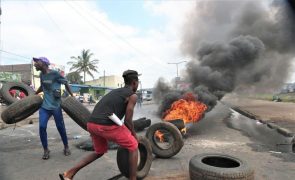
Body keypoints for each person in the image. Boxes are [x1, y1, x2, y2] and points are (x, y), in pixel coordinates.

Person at [59, 70, 140, 180]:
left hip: (91, 124)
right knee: (134, 146)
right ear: (135, 83)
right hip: (105, 125)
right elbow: (128, 121)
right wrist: (134, 135)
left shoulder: (115, 92)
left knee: (99, 151)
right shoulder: (133, 95)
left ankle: (69, 173)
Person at [33, 57, 74, 160]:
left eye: (37, 62)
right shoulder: (41, 75)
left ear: (43, 63)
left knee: (60, 127)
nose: (35, 64)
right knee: (42, 127)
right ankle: (46, 150)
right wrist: (34, 94)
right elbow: (42, 86)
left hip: (56, 106)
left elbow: (65, 83)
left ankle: (66, 146)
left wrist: (73, 96)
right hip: (45, 107)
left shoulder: (55, 74)